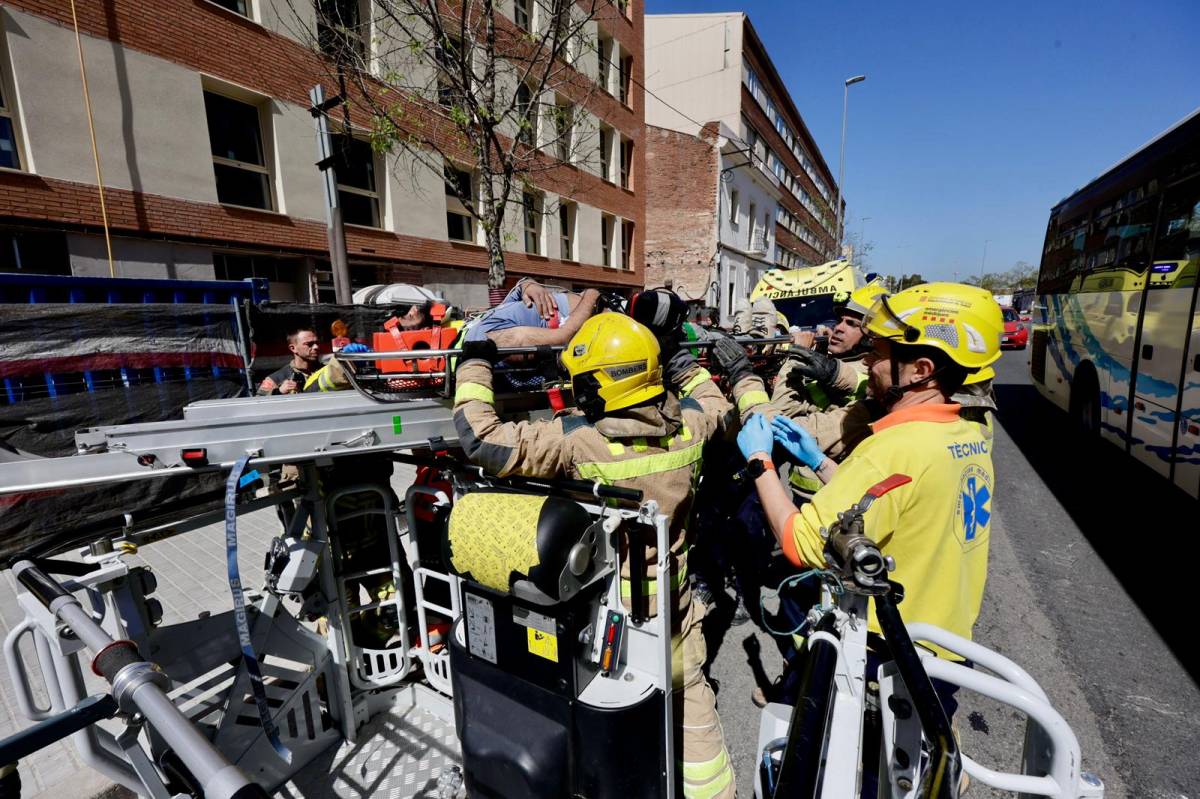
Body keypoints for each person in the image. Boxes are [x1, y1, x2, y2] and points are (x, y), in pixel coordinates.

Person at [453, 313, 766, 799]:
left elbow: (481, 439)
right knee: (695, 726)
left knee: (605, 739)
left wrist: (474, 362)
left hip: (603, 623)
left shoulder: (579, 442)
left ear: (602, 384)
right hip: (676, 615)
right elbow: (719, 407)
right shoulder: (692, 428)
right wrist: (683, 364)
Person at [736, 282, 1003, 726]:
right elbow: (888, 503)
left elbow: (800, 543)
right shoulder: (967, 433)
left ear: (920, 370)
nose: (866, 363)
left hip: (889, 651)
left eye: (878, 354)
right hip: (944, 641)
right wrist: (820, 461)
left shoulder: (893, 448)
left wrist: (761, 462)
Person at [464, 277, 600, 347]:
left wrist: (528, 284)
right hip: (592, 315)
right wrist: (591, 297)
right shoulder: (476, 340)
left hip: (589, 306)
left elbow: (519, 288)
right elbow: (561, 338)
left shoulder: (474, 326)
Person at [257, 328, 320, 395]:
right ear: (293, 348)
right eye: (309, 344)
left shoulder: (326, 371)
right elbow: (259, 400)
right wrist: (279, 392)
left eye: (317, 343)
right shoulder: (276, 378)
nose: (316, 347)